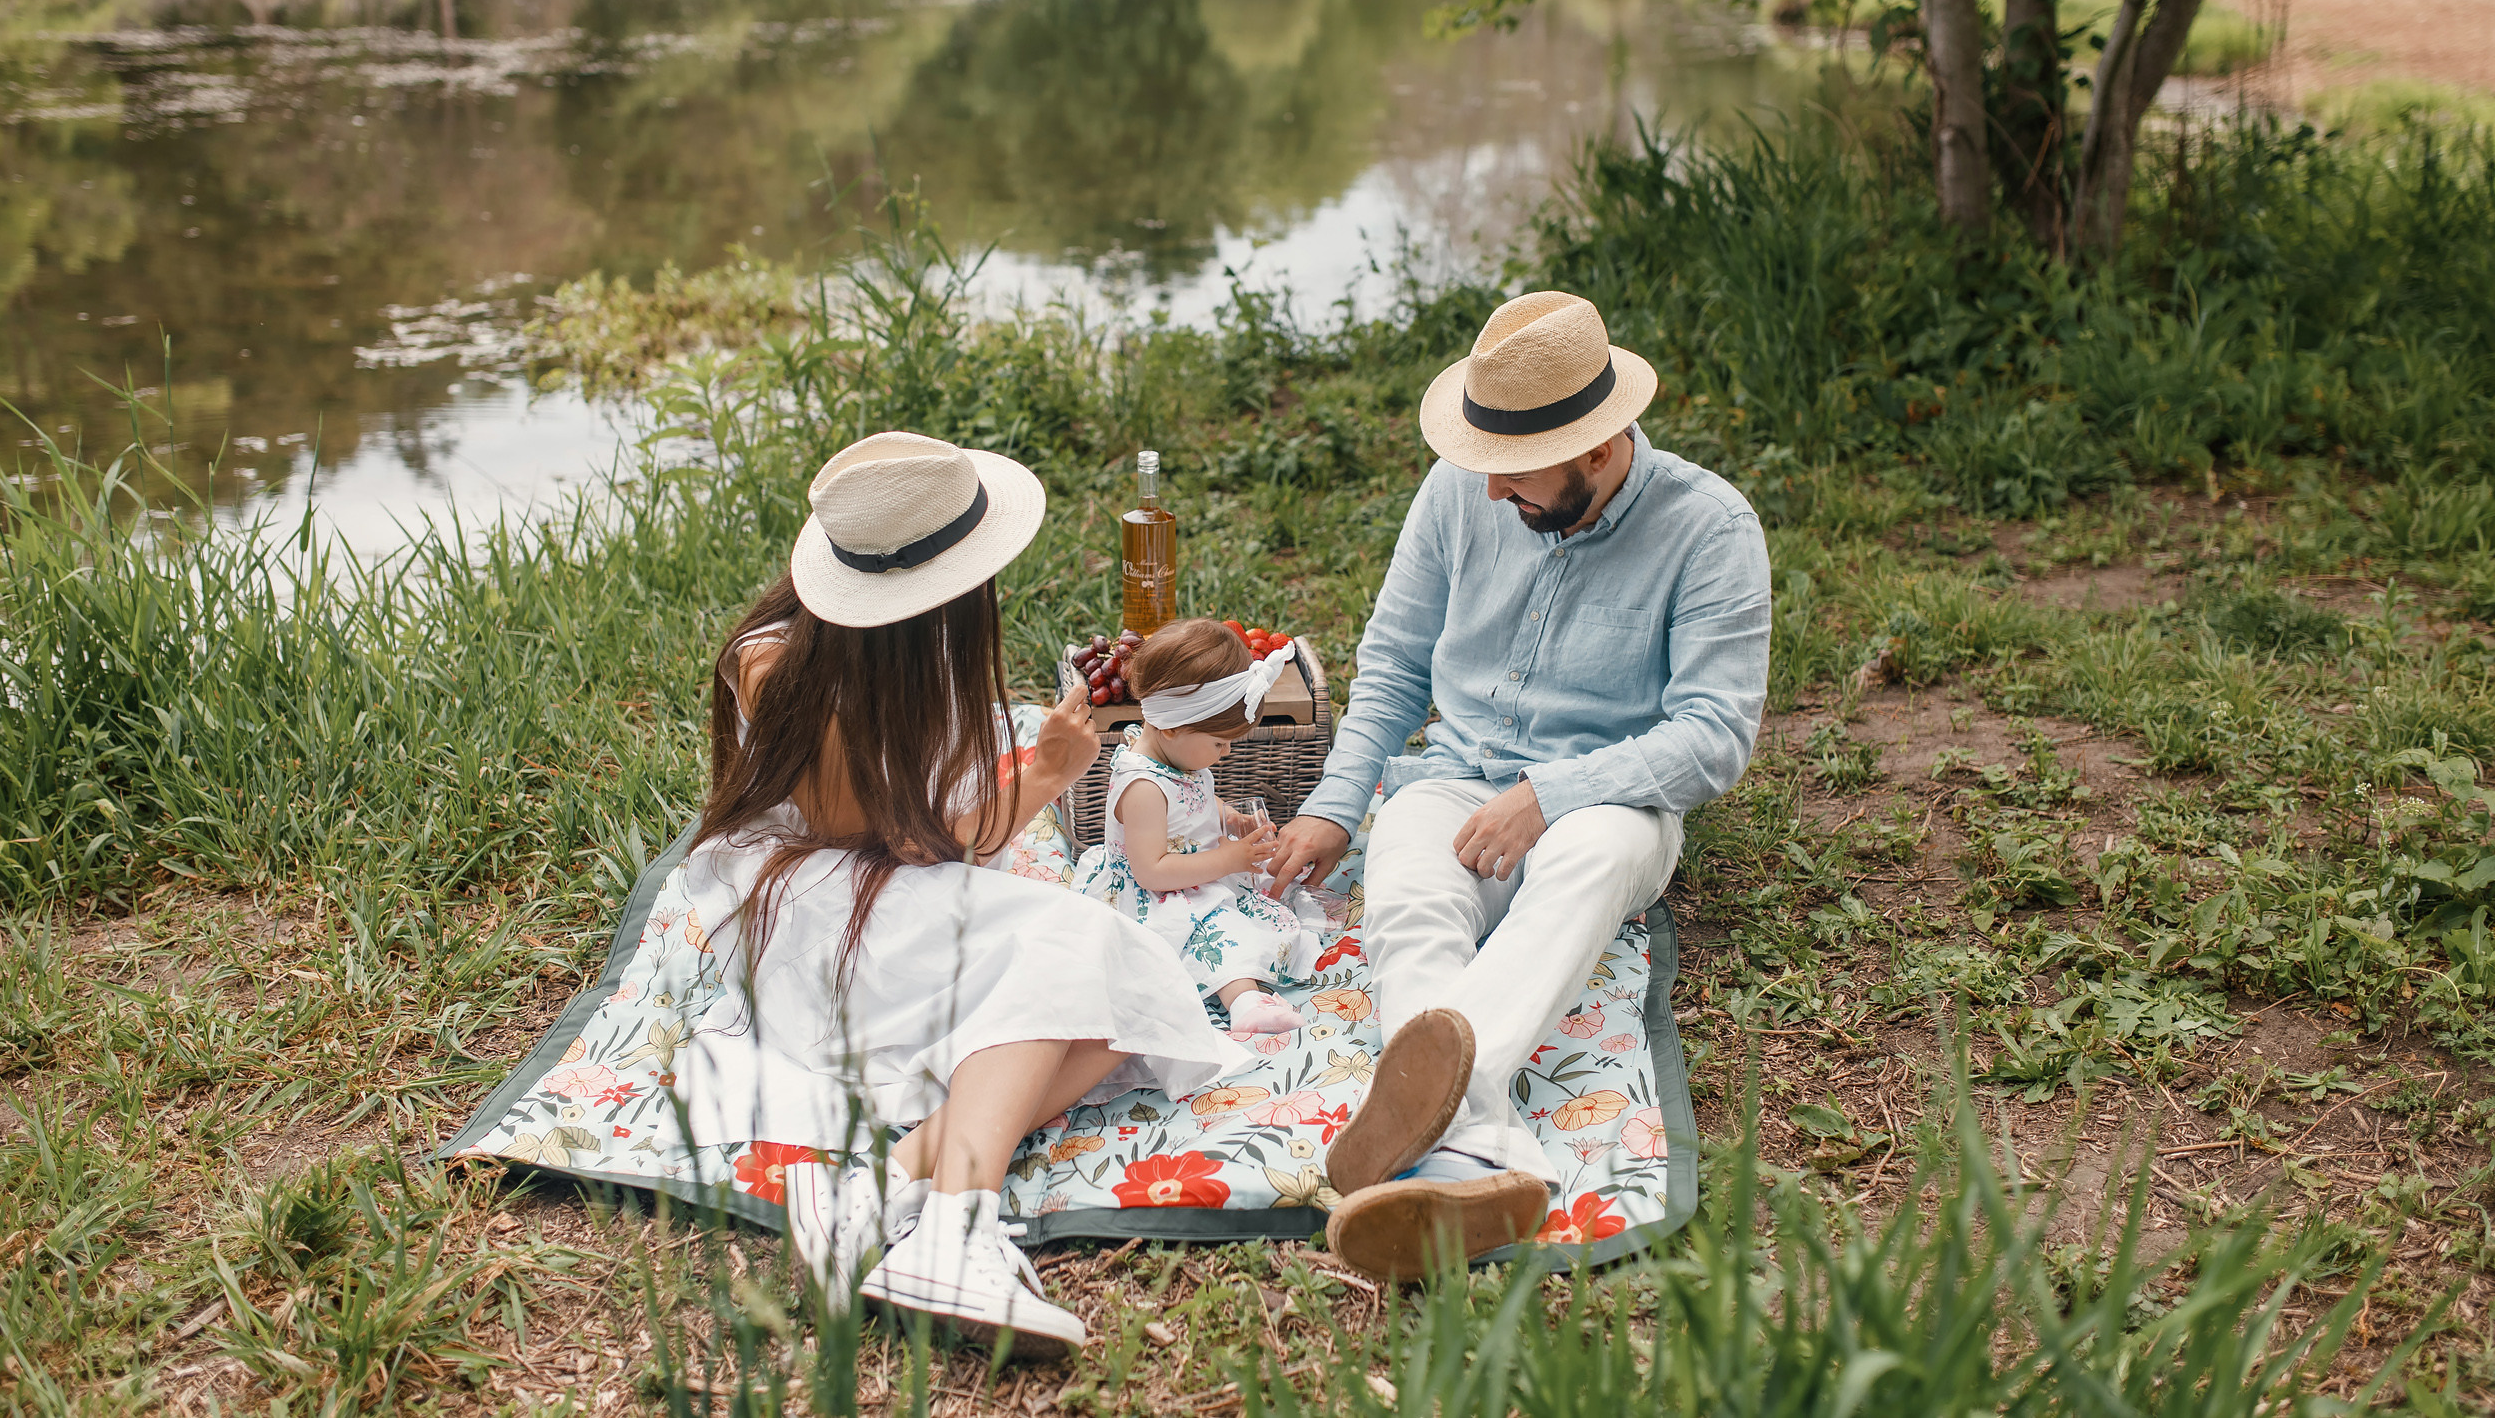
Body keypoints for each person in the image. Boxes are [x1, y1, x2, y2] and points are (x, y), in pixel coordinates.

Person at [670, 431, 1240, 1355]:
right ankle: (954, 1223)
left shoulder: (913, 646)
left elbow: (935, 823)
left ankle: (887, 1187)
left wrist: (1038, 769)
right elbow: (904, 838)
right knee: (1084, 949)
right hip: (812, 906)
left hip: (894, 884)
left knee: (1122, 991)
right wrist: (1050, 774)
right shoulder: (778, 667)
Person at [1262, 292, 1772, 1279]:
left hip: (1608, 804)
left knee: (1587, 860)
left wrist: (1554, 792)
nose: (1489, 494)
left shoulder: (1710, 528)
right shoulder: (1462, 487)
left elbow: (1713, 739)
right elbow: (1397, 657)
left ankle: (1431, 1118)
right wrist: (1333, 804)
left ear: (1599, 446)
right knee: (1406, 884)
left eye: (1514, 474)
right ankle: (1477, 1148)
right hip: (1457, 777)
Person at [1069, 618, 1325, 1034]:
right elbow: (1151, 871)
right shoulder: (1144, 789)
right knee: (1215, 935)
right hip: (1156, 896)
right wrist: (1228, 859)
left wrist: (1227, 816)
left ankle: (1246, 986)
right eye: (1219, 743)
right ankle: (1245, 1003)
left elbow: (1193, 797)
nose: (1224, 754)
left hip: (1193, 875)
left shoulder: (1176, 756)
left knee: (1239, 915)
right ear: (1172, 727)